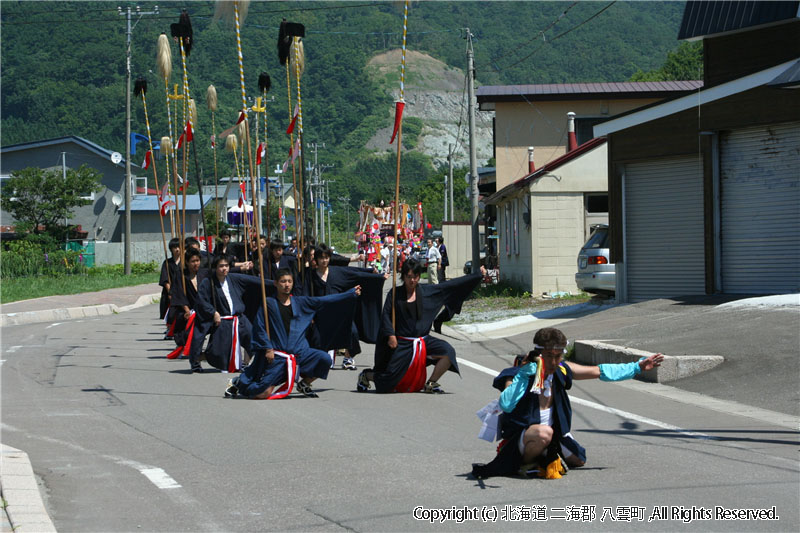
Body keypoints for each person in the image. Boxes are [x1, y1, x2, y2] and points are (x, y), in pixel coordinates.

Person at [471, 327, 664, 480]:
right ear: (538, 354)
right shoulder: (516, 374)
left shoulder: (562, 370)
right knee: (542, 433)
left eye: (558, 356)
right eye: (549, 356)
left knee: (579, 459)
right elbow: (506, 404)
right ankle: (525, 465)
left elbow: (599, 371)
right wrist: (525, 375)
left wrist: (637, 367)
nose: (554, 361)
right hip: (523, 437)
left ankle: (546, 455)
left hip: (553, 435)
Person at [225, 269, 361, 399]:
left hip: (300, 353)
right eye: (283, 281)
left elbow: (324, 300)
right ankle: (239, 384)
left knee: (325, 359)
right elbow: (259, 328)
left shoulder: (300, 302)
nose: (287, 285)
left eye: (289, 281)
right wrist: (267, 348)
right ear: (276, 283)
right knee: (264, 393)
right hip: (278, 357)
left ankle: (304, 383)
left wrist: (349, 294)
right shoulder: (269, 304)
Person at [357, 258, 485, 394]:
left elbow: (452, 285)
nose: (412, 280)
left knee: (448, 352)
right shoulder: (395, 294)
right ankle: (367, 376)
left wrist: (477, 275)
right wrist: (391, 335)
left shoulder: (427, 292)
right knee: (387, 383)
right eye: (409, 277)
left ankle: (431, 383)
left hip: (423, 341)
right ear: (403, 276)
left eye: (415, 277)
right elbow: (386, 316)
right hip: (402, 342)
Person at [303, 243, 387, 370]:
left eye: (326, 257)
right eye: (321, 258)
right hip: (322, 313)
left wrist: (376, 275)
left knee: (353, 333)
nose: (324, 260)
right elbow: (306, 295)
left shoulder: (337, 272)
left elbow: (356, 273)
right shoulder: (310, 276)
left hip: (341, 312)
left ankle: (348, 357)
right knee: (318, 339)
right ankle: (322, 359)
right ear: (316, 259)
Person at [194, 255, 267, 372]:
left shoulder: (233, 278)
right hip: (223, 321)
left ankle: (245, 363)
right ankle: (198, 358)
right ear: (215, 268)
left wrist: (274, 284)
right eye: (221, 266)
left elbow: (254, 281)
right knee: (217, 351)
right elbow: (201, 300)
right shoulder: (208, 283)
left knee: (253, 339)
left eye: (226, 266)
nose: (224, 269)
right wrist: (213, 312)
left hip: (239, 319)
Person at [167, 247, 210, 371]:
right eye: (192, 261)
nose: (195, 263)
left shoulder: (204, 274)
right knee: (196, 337)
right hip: (188, 311)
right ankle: (195, 363)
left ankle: (207, 355)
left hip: (205, 311)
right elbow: (178, 293)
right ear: (186, 262)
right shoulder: (181, 276)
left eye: (197, 260)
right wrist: (186, 310)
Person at [158, 238, 182, 324]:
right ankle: (169, 327)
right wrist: (170, 292)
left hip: (182, 290)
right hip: (170, 291)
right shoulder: (167, 263)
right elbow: (165, 279)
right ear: (171, 249)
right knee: (169, 310)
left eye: (179, 247)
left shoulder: (184, 262)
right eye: (174, 247)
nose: (177, 249)